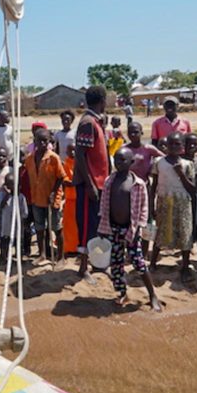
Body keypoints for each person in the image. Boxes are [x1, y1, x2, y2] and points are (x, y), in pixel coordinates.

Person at [99, 147, 161, 311]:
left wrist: (138, 230)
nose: (119, 163)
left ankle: (152, 295)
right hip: (113, 229)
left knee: (138, 263)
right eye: (117, 160)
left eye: (123, 160)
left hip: (131, 230)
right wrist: (103, 227)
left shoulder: (138, 184)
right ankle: (122, 293)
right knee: (116, 264)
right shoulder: (109, 181)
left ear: (132, 162)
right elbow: (104, 205)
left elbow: (143, 211)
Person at [72, 86, 110, 278]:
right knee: (87, 225)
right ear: (102, 100)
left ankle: (97, 264)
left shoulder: (96, 121)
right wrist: (89, 184)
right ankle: (83, 267)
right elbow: (79, 154)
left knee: (97, 225)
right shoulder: (88, 122)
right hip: (91, 184)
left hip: (100, 182)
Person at [149, 132, 196, 282]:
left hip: (182, 203)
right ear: (166, 146)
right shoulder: (158, 162)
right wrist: (151, 205)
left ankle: (185, 266)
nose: (174, 147)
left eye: (178, 144)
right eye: (171, 144)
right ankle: (152, 263)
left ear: (183, 147)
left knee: (184, 233)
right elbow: (154, 185)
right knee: (161, 231)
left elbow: (193, 189)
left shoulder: (187, 164)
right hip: (164, 201)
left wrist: (181, 174)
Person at [25, 127, 66, 261]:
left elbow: (61, 176)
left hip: (52, 199)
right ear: (34, 141)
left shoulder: (53, 158)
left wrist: (54, 192)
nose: (42, 144)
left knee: (56, 227)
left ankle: (60, 257)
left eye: (45, 141)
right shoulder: (30, 159)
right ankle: (42, 253)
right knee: (39, 228)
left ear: (48, 142)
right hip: (37, 198)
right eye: (39, 141)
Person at [0, 171, 27, 264]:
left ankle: (19, 258)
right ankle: (4, 257)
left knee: (18, 242)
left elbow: (24, 212)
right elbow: (0, 206)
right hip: (6, 224)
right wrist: (7, 195)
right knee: (5, 241)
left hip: (17, 225)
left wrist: (21, 220)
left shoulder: (21, 197)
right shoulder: (3, 195)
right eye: (9, 185)